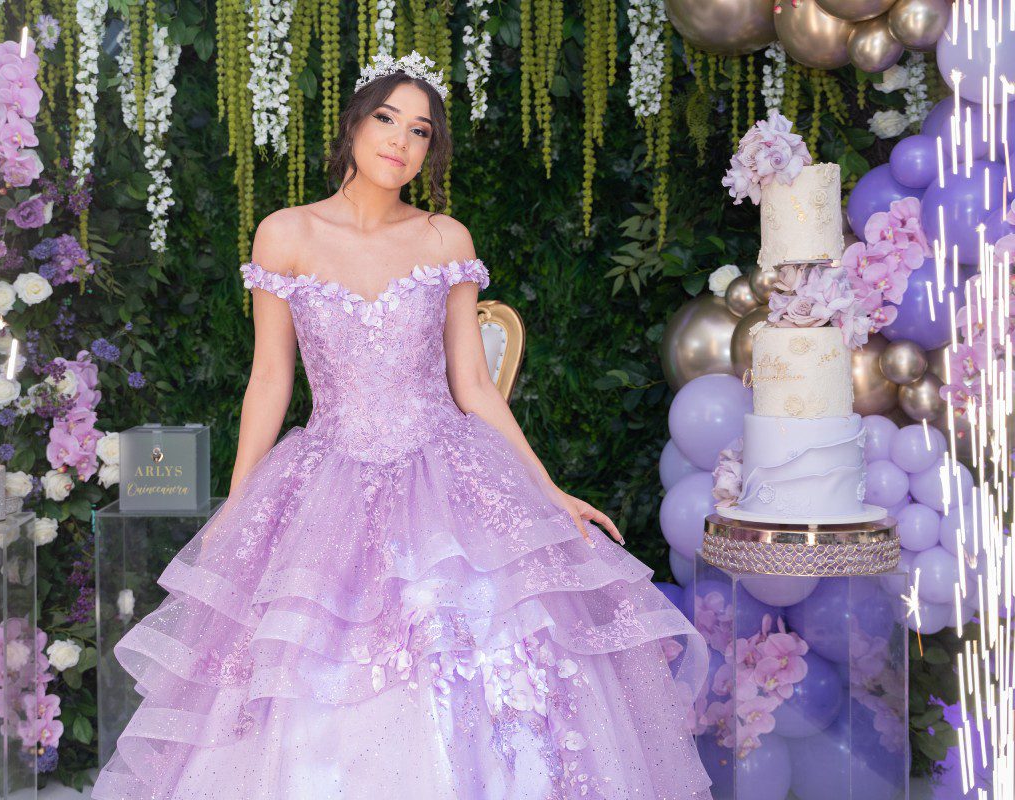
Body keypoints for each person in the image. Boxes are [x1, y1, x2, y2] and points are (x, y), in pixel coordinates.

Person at [92, 50, 714, 800]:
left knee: (478, 640)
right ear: (354, 124)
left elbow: (476, 387)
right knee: (300, 667)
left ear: (431, 151)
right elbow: (270, 382)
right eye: (387, 118)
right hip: (328, 473)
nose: (400, 140)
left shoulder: (444, 239)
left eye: (420, 131)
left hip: (445, 474)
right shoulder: (285, 234)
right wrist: (239, 506)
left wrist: (551, 494)